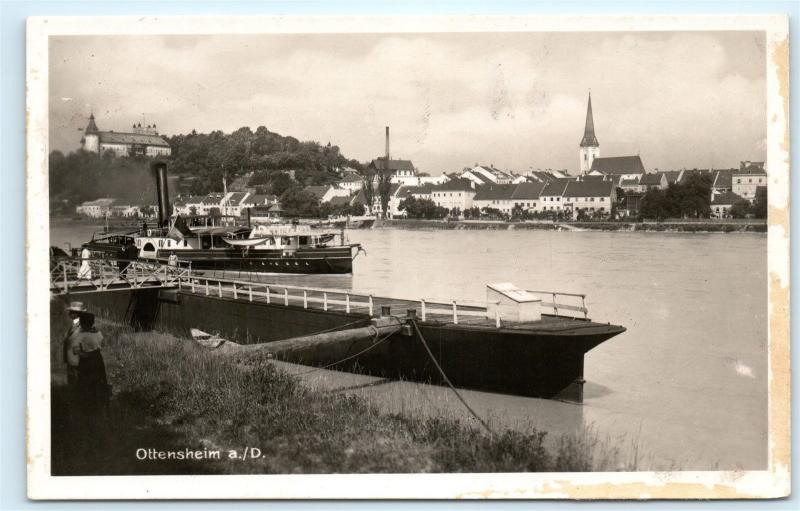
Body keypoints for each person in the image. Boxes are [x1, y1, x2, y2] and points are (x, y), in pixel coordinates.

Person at [72, 312, 111, 415]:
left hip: (86, 360)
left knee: (86, 381)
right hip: (98, 359)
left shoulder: (80, 335)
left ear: (81, 323)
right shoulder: (98, 332)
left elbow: (75, 350)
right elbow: (103, 343)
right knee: (99, 379)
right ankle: (100, 403)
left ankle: (87, 405)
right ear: (92, 322)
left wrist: (82, 353)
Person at [62, 301, 85, 386]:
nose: (69, 313)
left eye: (71, 311)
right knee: (73, 382)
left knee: (77, 382)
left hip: (77, 360)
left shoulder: (81, 326)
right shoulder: (73, 325)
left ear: (77, 313)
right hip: (72, 360)